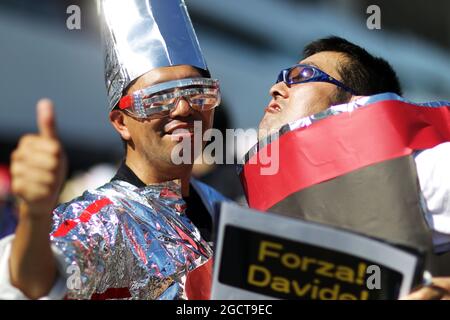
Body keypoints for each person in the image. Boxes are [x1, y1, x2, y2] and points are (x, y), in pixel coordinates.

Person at [0, 0, 226, 300]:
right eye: (158, 99)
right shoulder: (104, 220)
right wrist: (34, 214)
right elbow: (33, 283)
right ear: (121, 122)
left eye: (196, 93)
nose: (183, 108)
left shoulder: (224, 208)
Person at [241, 36, 450, 299]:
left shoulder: (416, 171)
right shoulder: (249, 210)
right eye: (281, 76)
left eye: (301, 75)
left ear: (355, 105)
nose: (276, 87)